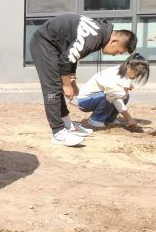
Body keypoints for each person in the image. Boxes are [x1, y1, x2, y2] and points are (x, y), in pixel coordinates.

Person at [29, 14, 137, 146]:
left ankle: (68, 126)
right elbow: (67, 59)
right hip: (44, 43)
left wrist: (72, 80)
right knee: (53, 88)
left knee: (58, 86)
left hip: (58, 46)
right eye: (118, 51)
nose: (115, 54)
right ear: (114, 41)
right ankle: (58, 133)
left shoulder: (99, 33)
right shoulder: (94, 38)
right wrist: (67, 84)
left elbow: (73, 56)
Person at [77, 53, 150, 128]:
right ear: (128, 67)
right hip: (85, 101)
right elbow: (116, 99)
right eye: (136, 72)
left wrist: (128, 86)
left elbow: (123, 84)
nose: (137, 76)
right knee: (110, 96)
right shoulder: (113, 76)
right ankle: (96, 119)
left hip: (97, 97)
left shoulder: (123, 70)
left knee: (124, 96)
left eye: (140, 74)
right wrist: (129, 119)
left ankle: (109, 119)